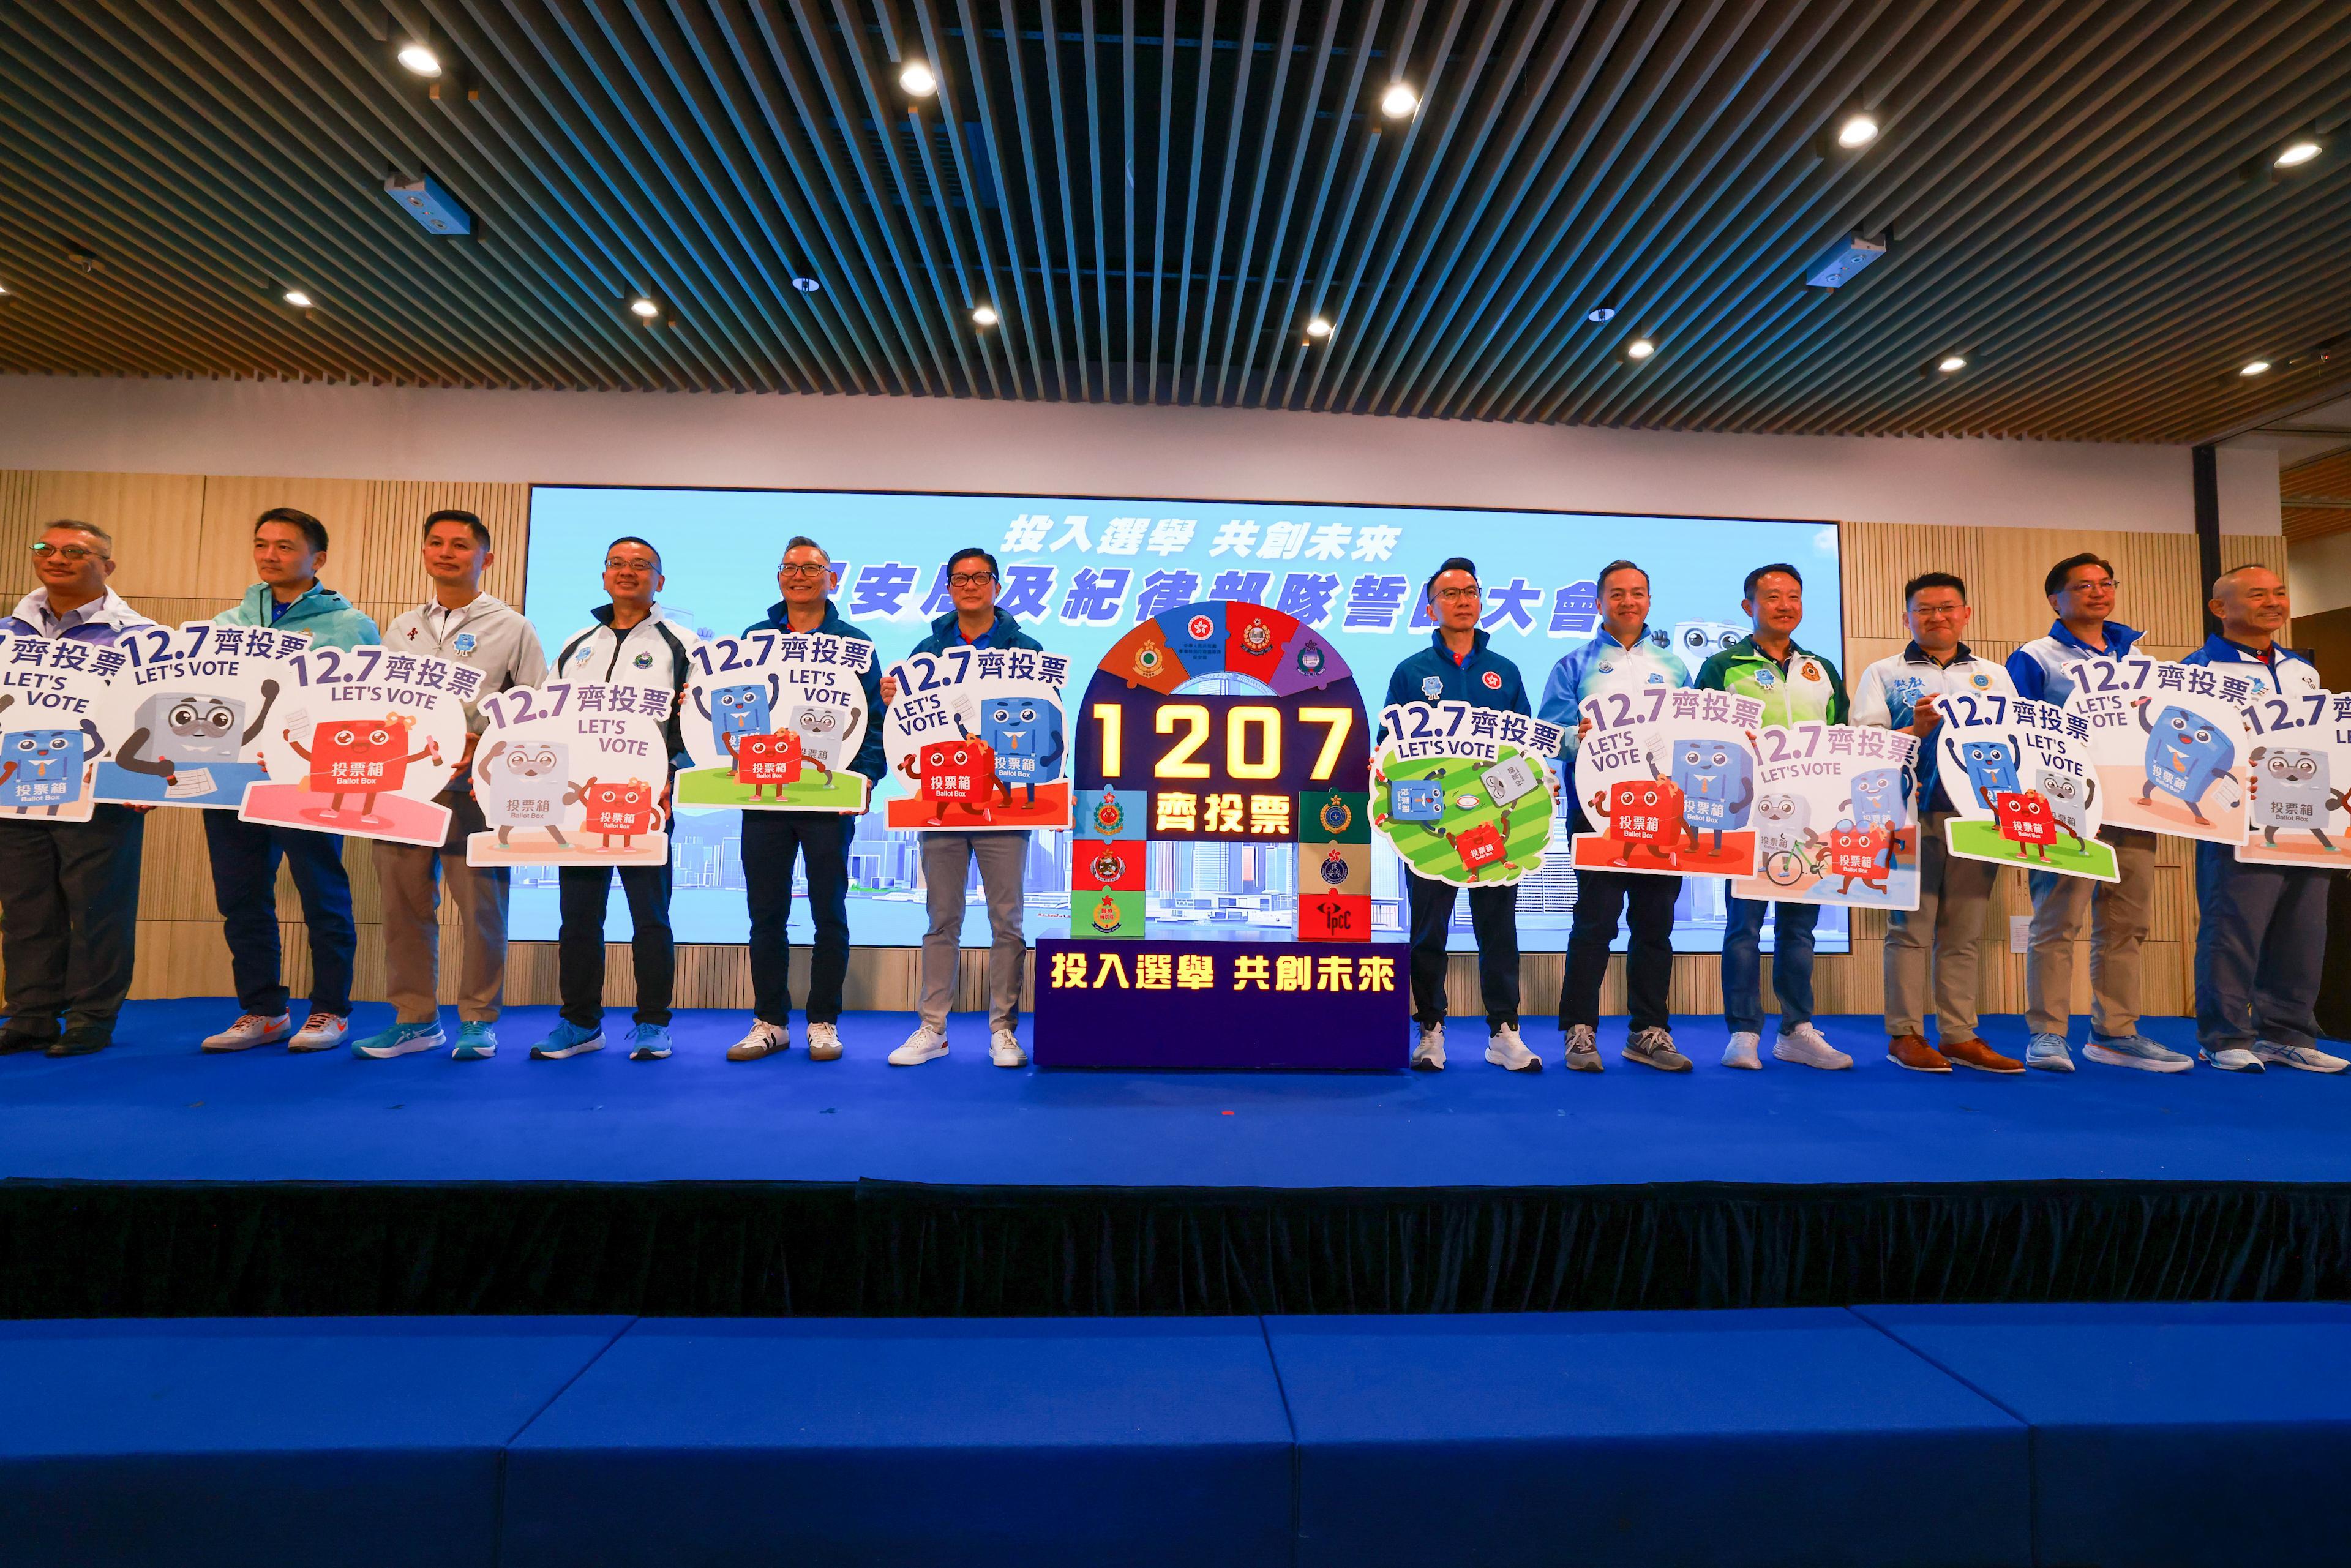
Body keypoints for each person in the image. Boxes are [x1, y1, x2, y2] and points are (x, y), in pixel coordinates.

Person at [352, 509, 548, 1061]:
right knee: (403, 903)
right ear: (424, 553)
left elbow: (534, 705)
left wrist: (479, 744)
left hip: (475, 789)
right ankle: (414, 1018)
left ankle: (479, 1019)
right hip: (404, 785)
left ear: (486, 558)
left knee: (481, 907)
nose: (446, 552)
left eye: (460, 545)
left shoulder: (513, 626)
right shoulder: (401, 627)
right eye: (436, 543)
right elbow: (377, 702)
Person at [197, 508, 378, 1056]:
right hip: (233, 778)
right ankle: (263, 1009)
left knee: (321, 893)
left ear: (317, 559)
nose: (269, 554)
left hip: (310, 778)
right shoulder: (227, 624)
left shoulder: (350, 626)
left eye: (284, 545)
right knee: (242, 896)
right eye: (261, 544)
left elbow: (368, 707)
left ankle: (331, 1009)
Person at [2006, 553, 2184, 1071]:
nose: (2098, 592)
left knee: (2127, 924)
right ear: (2055, 599)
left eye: (2106, 583)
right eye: (2083, 586)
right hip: (2067, 808)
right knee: (2056, 922)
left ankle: (2115, 1031)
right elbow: (2020, 732)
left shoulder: (2140, 658)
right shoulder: (2036, 657)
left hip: (2134, 808)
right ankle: (2047, 1033)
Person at [532, 536, 697, 1063]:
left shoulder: (682, 643)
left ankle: (653, 1023)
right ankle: (580, 1022)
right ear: (604, 575)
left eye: (641, 565)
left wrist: (672, 774)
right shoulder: (578, 641)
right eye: (617, 564)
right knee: (577, 916)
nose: (628, 572)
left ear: (660, 581)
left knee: (650, 915)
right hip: (578, 799)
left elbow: (695, 721)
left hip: (645, 798)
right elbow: (544, 714)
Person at [875, 546, 1039, 1069]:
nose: (970, 586)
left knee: (1006, 920)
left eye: (980, 577)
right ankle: (933, 1028)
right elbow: (907, 727)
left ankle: (1003, 1030)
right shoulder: (927, 650)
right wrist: (890, 699)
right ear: (948, 587)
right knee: (941, 918)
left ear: (997, 585)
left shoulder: (1025, 648)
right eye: (960, 578)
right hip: (941, 801)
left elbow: (1039, 725)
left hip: (1003, 806)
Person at [1851, 572, 2021, 1073]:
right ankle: (1904, 1034)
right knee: (1909, 928)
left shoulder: (1994, 674)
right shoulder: (1883, 672)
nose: (1937, 616)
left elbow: (2018, 743)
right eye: (1924, 609)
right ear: (1907, 618)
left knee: (1964, 932)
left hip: (1978, 815)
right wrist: (1913, 729)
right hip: (1911, 813)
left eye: (1947, 607)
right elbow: (1864, 745)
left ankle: (1959, 1035)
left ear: (1966, 614)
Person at [726, 536, 886, 1064]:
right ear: (779, 578)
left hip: (827, 798)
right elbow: (733, 711)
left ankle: (823, 1020)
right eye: (790, 568)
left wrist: (863, 781)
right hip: (764, 793)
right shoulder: (754, 639)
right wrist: (701, 706)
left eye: (811, 568)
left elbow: (875, 725)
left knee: (829, 913)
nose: (799, 575)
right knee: (765, 913)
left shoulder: (854, 644)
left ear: (831, 578)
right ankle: (770, 1020)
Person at [0, 522, 152, 1057]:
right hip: (14, 791)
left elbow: (155, 716)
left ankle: (92, 1017)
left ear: (107, 567)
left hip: (99, 791)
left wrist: (148, 777)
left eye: (75, 551)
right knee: (25, 908)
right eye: (46, 547)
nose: (57, 558)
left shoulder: (139, 636)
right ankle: (31, 1014)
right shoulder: (6, 631)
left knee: (99, 908)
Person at [2184, 565, 2344, 1073]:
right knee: (2233, 926)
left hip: (2310, 812)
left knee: (2304, 926)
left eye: (2279, 592)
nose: (2273, 602)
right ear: (2220, 608)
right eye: (2257, 594)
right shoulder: (2197, 670)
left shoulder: (2303, 670)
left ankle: (2288, 1032)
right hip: (2238, 818)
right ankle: (2224, 1034)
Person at [1385, 557, 1539, 1071]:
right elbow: (1390, 750)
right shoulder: (1411, 672)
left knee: (1499, 928)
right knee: (1429, 930)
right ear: (1430, 606)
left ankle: (1504, 1032)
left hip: (1497, 821)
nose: (1463, 600)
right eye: (1450, 593)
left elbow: (1525, 749)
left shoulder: (1506, 672)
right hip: (1430, 825)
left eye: (1470, 591)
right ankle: (1431, 1028)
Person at [1696, 563, 1851, 1071]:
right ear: (1749, 607)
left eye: (1793, 596)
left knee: (1799, 929)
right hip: (1744, 817)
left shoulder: (1821, 668)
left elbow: (1844, 738)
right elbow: (1700, 740)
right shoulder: (1723, 666)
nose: (1785, 605)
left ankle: (1797, 1030)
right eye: (1772, 596)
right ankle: (1743, 1032)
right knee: (1744, 927)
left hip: (1809, 818)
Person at [1540, 559, 1690, 1072]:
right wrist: (1579, 736)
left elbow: (1691, 737)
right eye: (1618, 593)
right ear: (1599, 602)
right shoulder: (1573, 664)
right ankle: (1580, 1029)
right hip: (1597, 813)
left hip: (1665, 815)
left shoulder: (1674, 667)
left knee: (1655, 925)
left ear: (1649, 600)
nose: (1629, 601)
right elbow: (1548, 734)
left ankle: (1649, 1030)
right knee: (1595, 922)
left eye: (1638, 592)